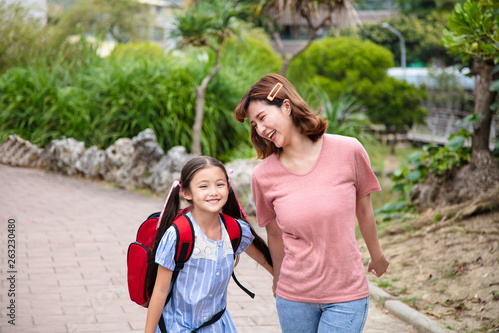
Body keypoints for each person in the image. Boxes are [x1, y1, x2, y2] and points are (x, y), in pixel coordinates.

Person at [234, 73, 390, 333]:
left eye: (262, 118)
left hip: (346, 294)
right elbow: (274, 233)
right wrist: (278, 280)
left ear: (286, 106)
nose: (259, 130)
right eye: (254, 125)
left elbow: (364, 210)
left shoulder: (348, 150)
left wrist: (377, 256)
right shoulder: (263, 176)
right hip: (294, 297)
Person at [144, 156, 273, 333]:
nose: (213, 192)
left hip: (218, 325)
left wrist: (282, 284)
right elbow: (160, 290)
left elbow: (266, 261)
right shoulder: (178, 235)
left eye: (220, 184)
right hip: (178, 326)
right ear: (187, 193)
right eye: (203, 186)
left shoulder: (235, 230)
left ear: (228, 188)